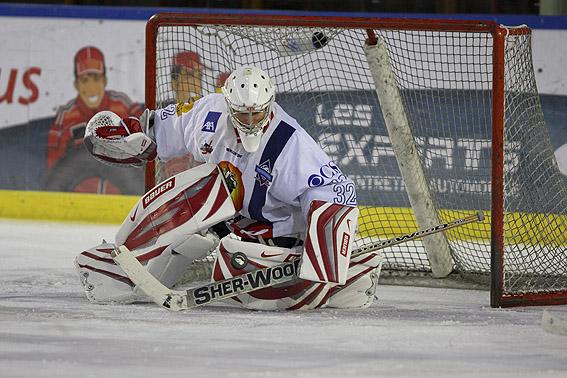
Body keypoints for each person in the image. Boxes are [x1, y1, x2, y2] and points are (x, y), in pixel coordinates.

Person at [76, 66, 382, 310]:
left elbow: (336, 191)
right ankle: (128, 262)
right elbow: (159, 126)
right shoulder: (209, 112)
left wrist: (321, 259)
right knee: (205, 185)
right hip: (237, 223)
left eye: (257, 113)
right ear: (228, 104)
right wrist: (130, 136)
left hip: (281, 239)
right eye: (242, 113)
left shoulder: (290, 143)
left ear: (269, 106)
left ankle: (347, 278)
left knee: (240, 279)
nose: (250, 121)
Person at [46, 46, 143, 193]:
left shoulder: (122, 104)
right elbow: (54, 163)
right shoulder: (66, 115)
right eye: (85, 80)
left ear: (104, 81)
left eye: (96, 79)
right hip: (77, 200)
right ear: (76, 84)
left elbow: (144, 136)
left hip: (123, 190)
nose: (91, 88)